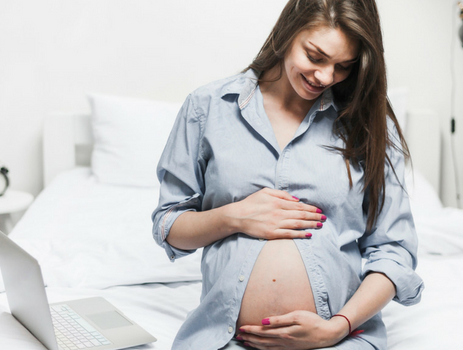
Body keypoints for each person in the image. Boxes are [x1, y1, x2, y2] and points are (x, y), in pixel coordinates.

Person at [151, 0, 424, 349]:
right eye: (315, 56)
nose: (325, 77)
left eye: (344, 66)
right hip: (224, 340)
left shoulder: (368, 125)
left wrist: (338, 327)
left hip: (339, 342)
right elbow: (169, 227)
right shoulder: (207, 108)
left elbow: (393, 251)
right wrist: (234, 216)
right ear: (287, 33)